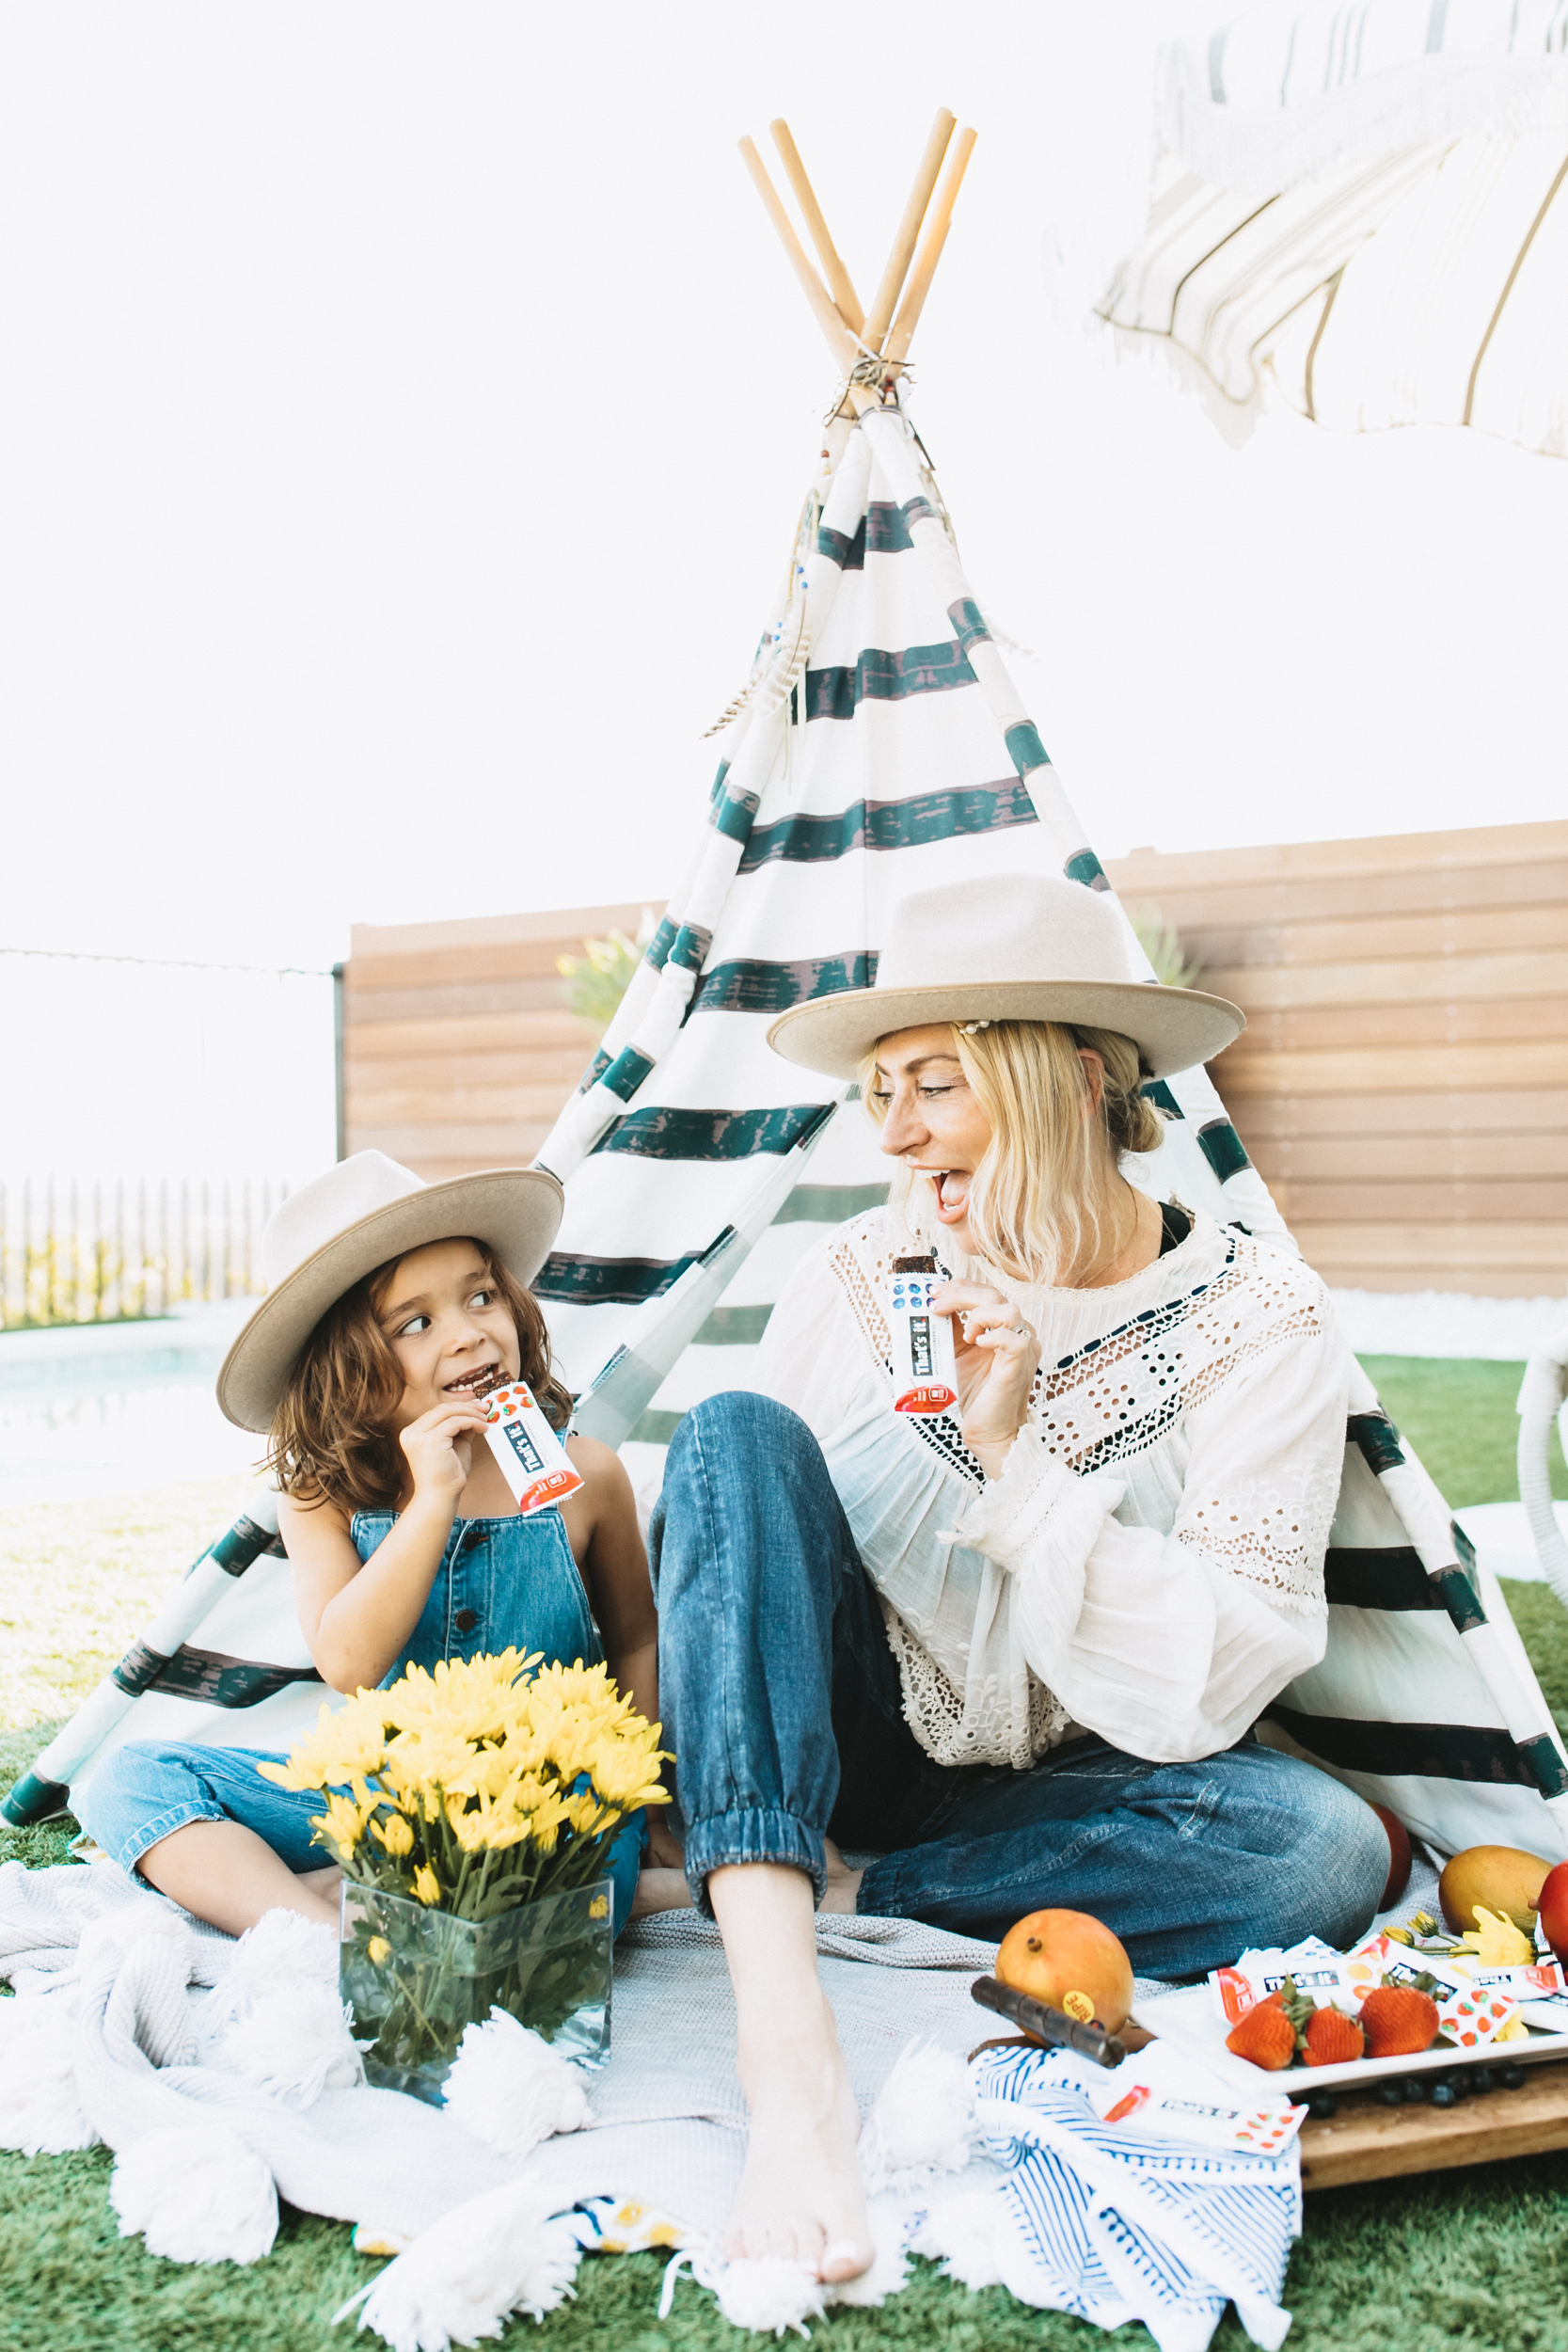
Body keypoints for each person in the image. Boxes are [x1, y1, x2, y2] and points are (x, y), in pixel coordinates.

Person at [641, 870, 1388, 2280]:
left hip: (1074, 1784)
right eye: (879, 1092)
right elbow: (743, 1547)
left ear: (1074, 1078)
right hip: (850, 1739)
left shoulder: (1252, 1318)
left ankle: (844, 1893)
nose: (896, 1128)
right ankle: (784, 2043)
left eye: (936, 1081)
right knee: (734, 1430)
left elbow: (1221, 1670)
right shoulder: (859, 1277)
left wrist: (1014, 1459)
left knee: (1319, 1847)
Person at [77, 1151, 657, 1941]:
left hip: (547, 1796)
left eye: (480, 1296)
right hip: (384, 1789)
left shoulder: (587, 1475)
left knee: (539, 1904)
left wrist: (631, 1791)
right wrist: (432, 1498)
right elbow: (349, 1663)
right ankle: (314, 1935)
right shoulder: (321, 1495)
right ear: (347, 1371)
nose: (467, 1334)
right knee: (126, 1781)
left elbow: (636, 1639)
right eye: (414, 1323)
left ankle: (366, 1893)